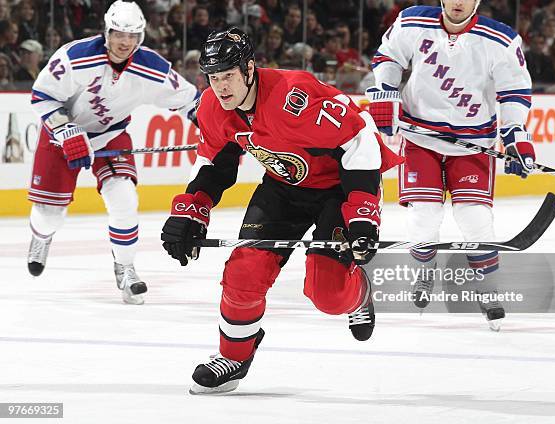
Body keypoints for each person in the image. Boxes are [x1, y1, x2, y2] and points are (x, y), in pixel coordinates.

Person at [160, 27, 401, 394]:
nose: (221, 86)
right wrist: (190, 212)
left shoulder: (294, 97)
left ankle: (360, 291)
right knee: (243, 274)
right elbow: (214, 164)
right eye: (213, 77)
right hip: (283, 187)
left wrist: (362, 213)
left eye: (228, 76)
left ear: (249, 69)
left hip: (338, 188)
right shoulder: (213, 106)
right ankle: (234, 357)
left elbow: (359, 137)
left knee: (329, 295)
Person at [366, 0, 535, 330]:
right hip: (420, 137)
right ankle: (424, 271)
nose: (458, 2)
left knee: (474, 218)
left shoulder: (500, 39)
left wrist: (515, 133)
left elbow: (514, 90)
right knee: (423, 216)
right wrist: (385, 91)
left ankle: (488, 289)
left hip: (473, 144)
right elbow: (388, 57)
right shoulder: (412, 21)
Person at [26, 0, 198, 305]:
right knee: (48, 216)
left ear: (141, 37)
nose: (125, 42)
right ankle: (41, 238)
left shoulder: (151, 67)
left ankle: (126, 268)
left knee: (125, 199)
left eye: (132, 36)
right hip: (61, 136)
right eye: (119, 34)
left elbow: (190, 101)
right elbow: (42, 96)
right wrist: (66, 130)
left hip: (110, 136)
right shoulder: (73, 56)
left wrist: (214, 126)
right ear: (107, 32)